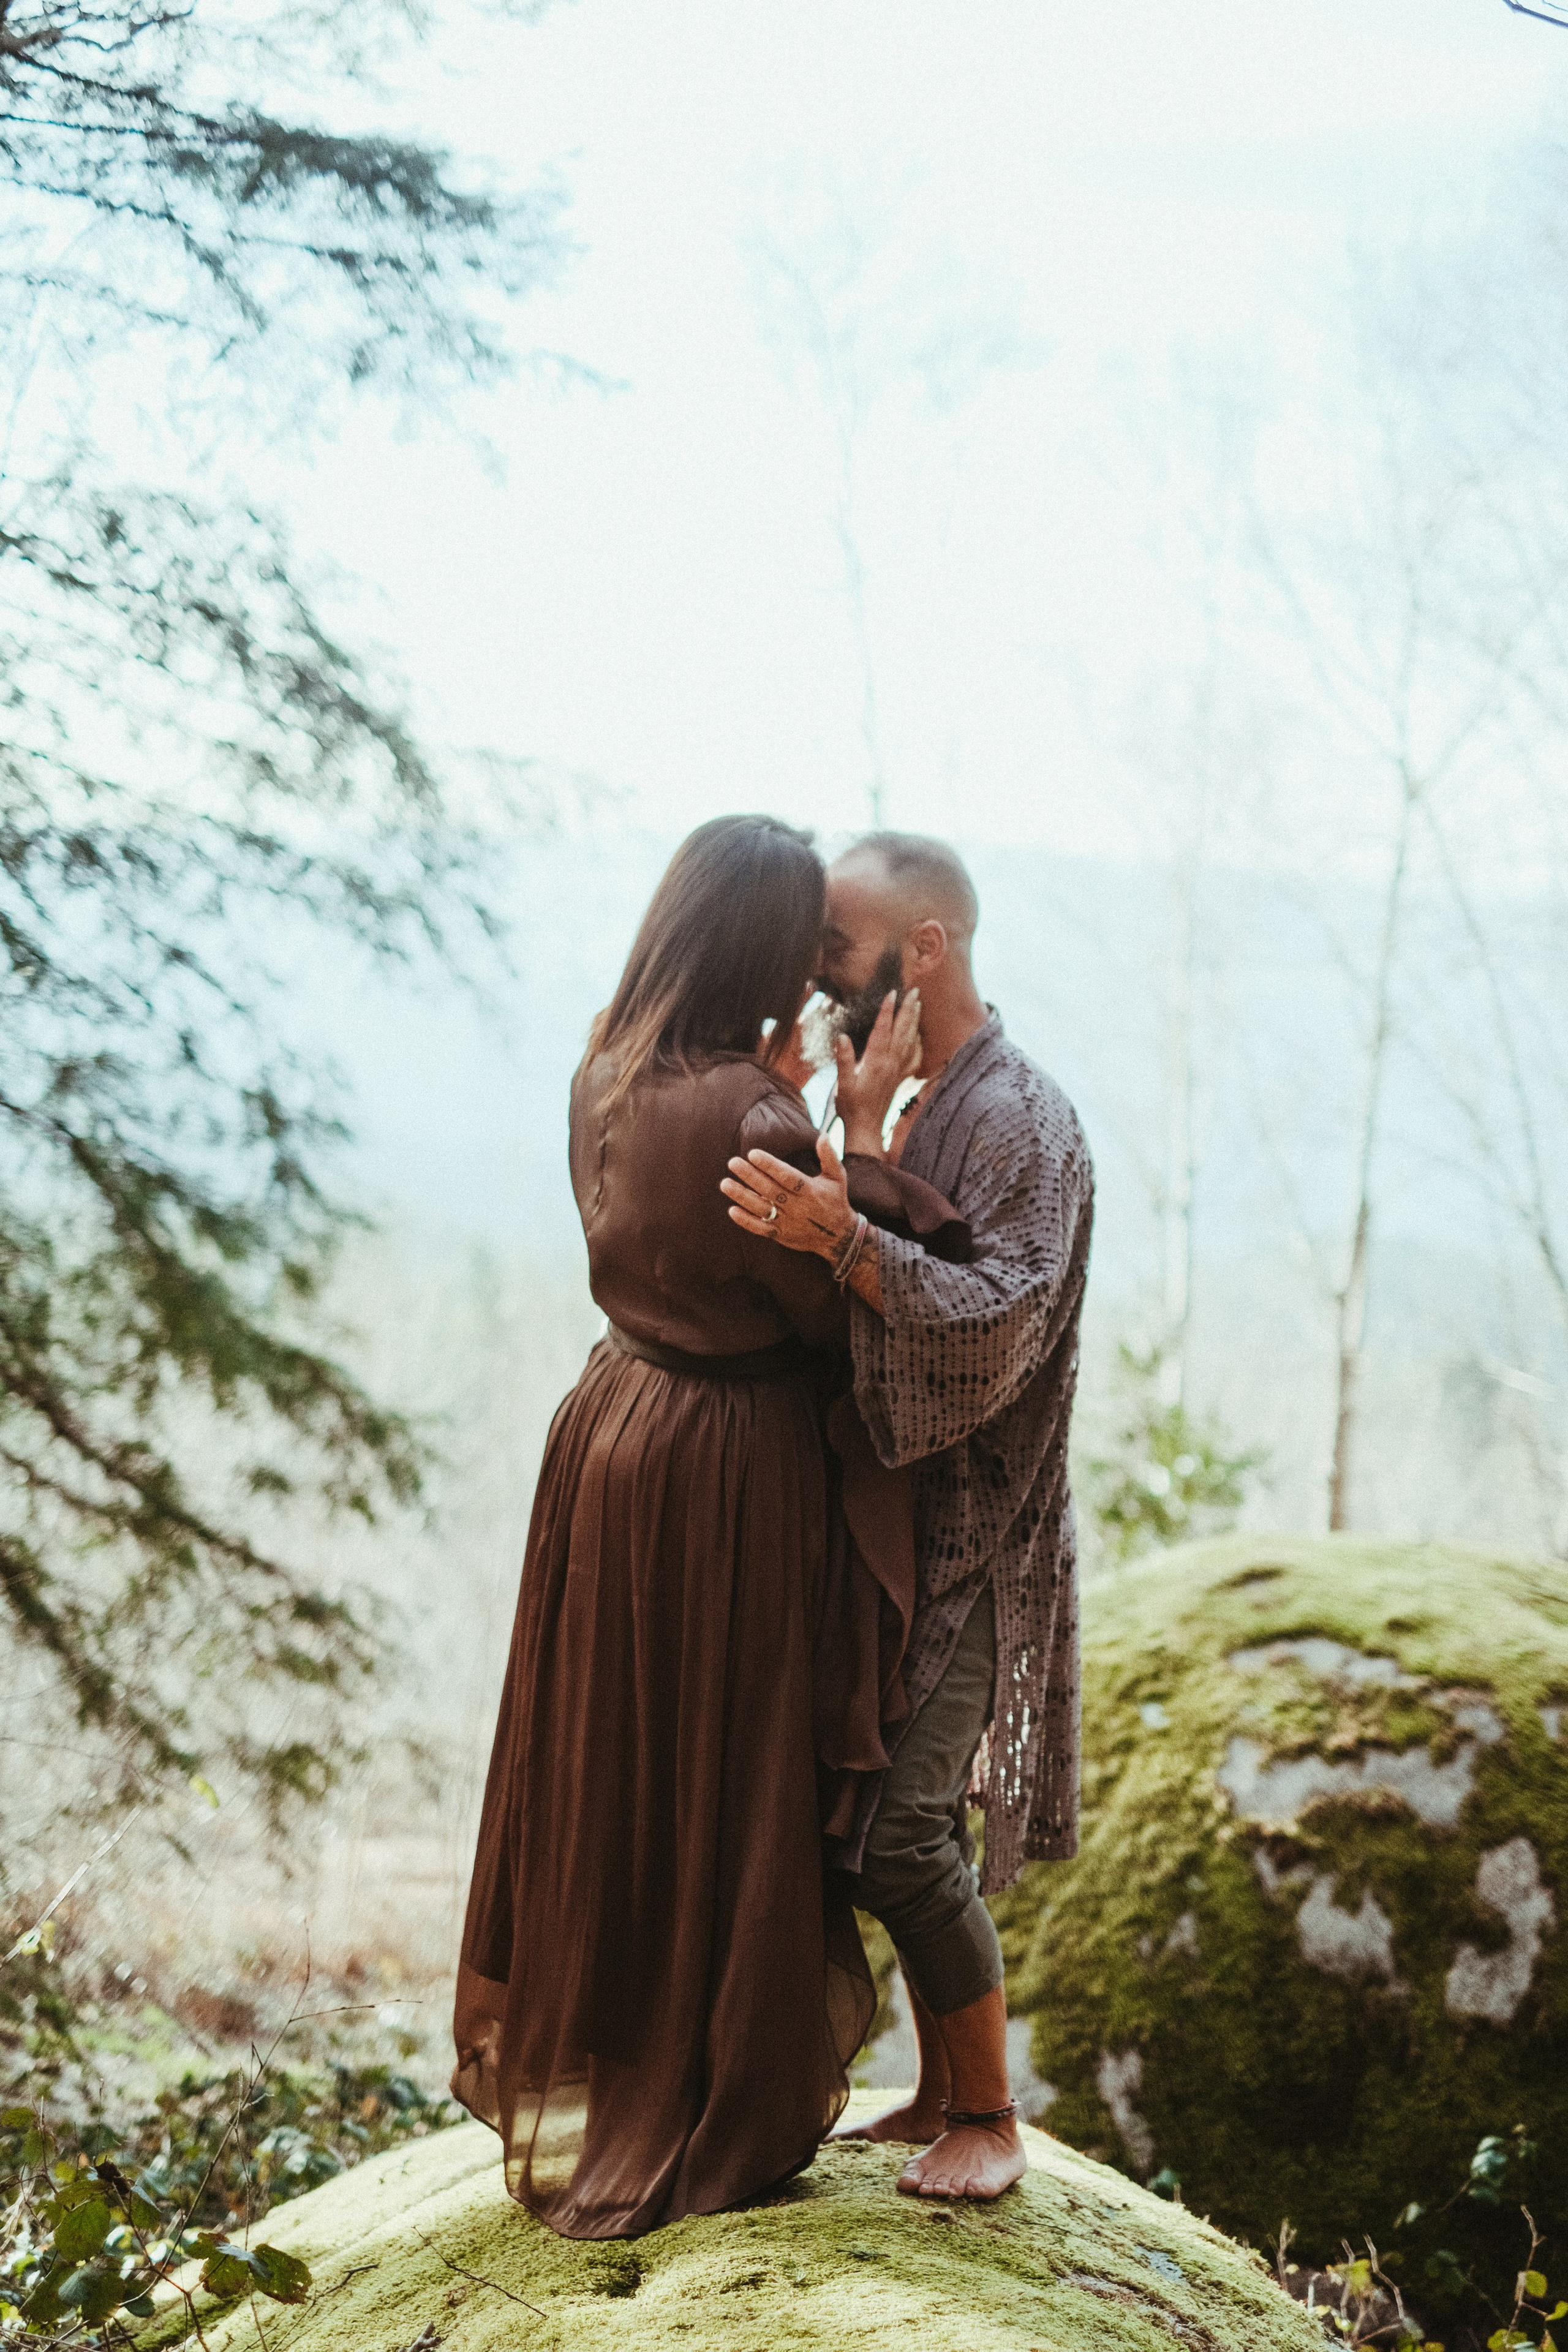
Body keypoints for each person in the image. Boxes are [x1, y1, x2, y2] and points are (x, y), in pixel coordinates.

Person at [450, 814, 970, 2240]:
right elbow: (836, 1315)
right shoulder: (752, 1119)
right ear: (754, 948)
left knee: (621, 1752)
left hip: (610, 1432)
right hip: (725, 1466)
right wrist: (845, 1141)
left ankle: (619, 2062)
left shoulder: (601, 1068)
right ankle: (707, 2092)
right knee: (724, 1765)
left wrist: (779, 1096)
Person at [722, 829, 1094, 2206]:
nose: (816, 968)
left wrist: (838, 1236)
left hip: (978, 1547)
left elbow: (994, 1320)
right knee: (874, 1817)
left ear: (921, 949)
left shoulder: (1021, 1119)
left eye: (837, 944)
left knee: (898, 1836)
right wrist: (847, 1144)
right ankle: (937, 2088)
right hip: (894, 1539)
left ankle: (991, 2116)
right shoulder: (918, 1090)